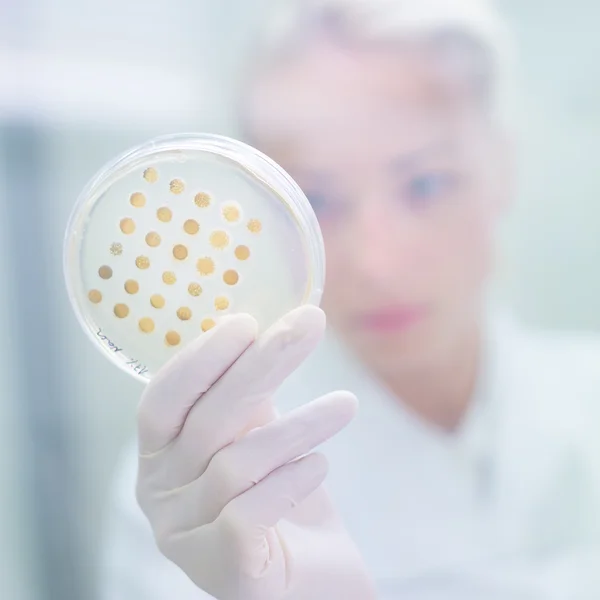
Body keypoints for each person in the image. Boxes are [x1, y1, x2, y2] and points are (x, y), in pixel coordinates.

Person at [100, 1, 600, 598]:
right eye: (318, 201)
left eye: (426, 184)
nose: (375, 262)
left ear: (501, 169)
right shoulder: (208, 484)